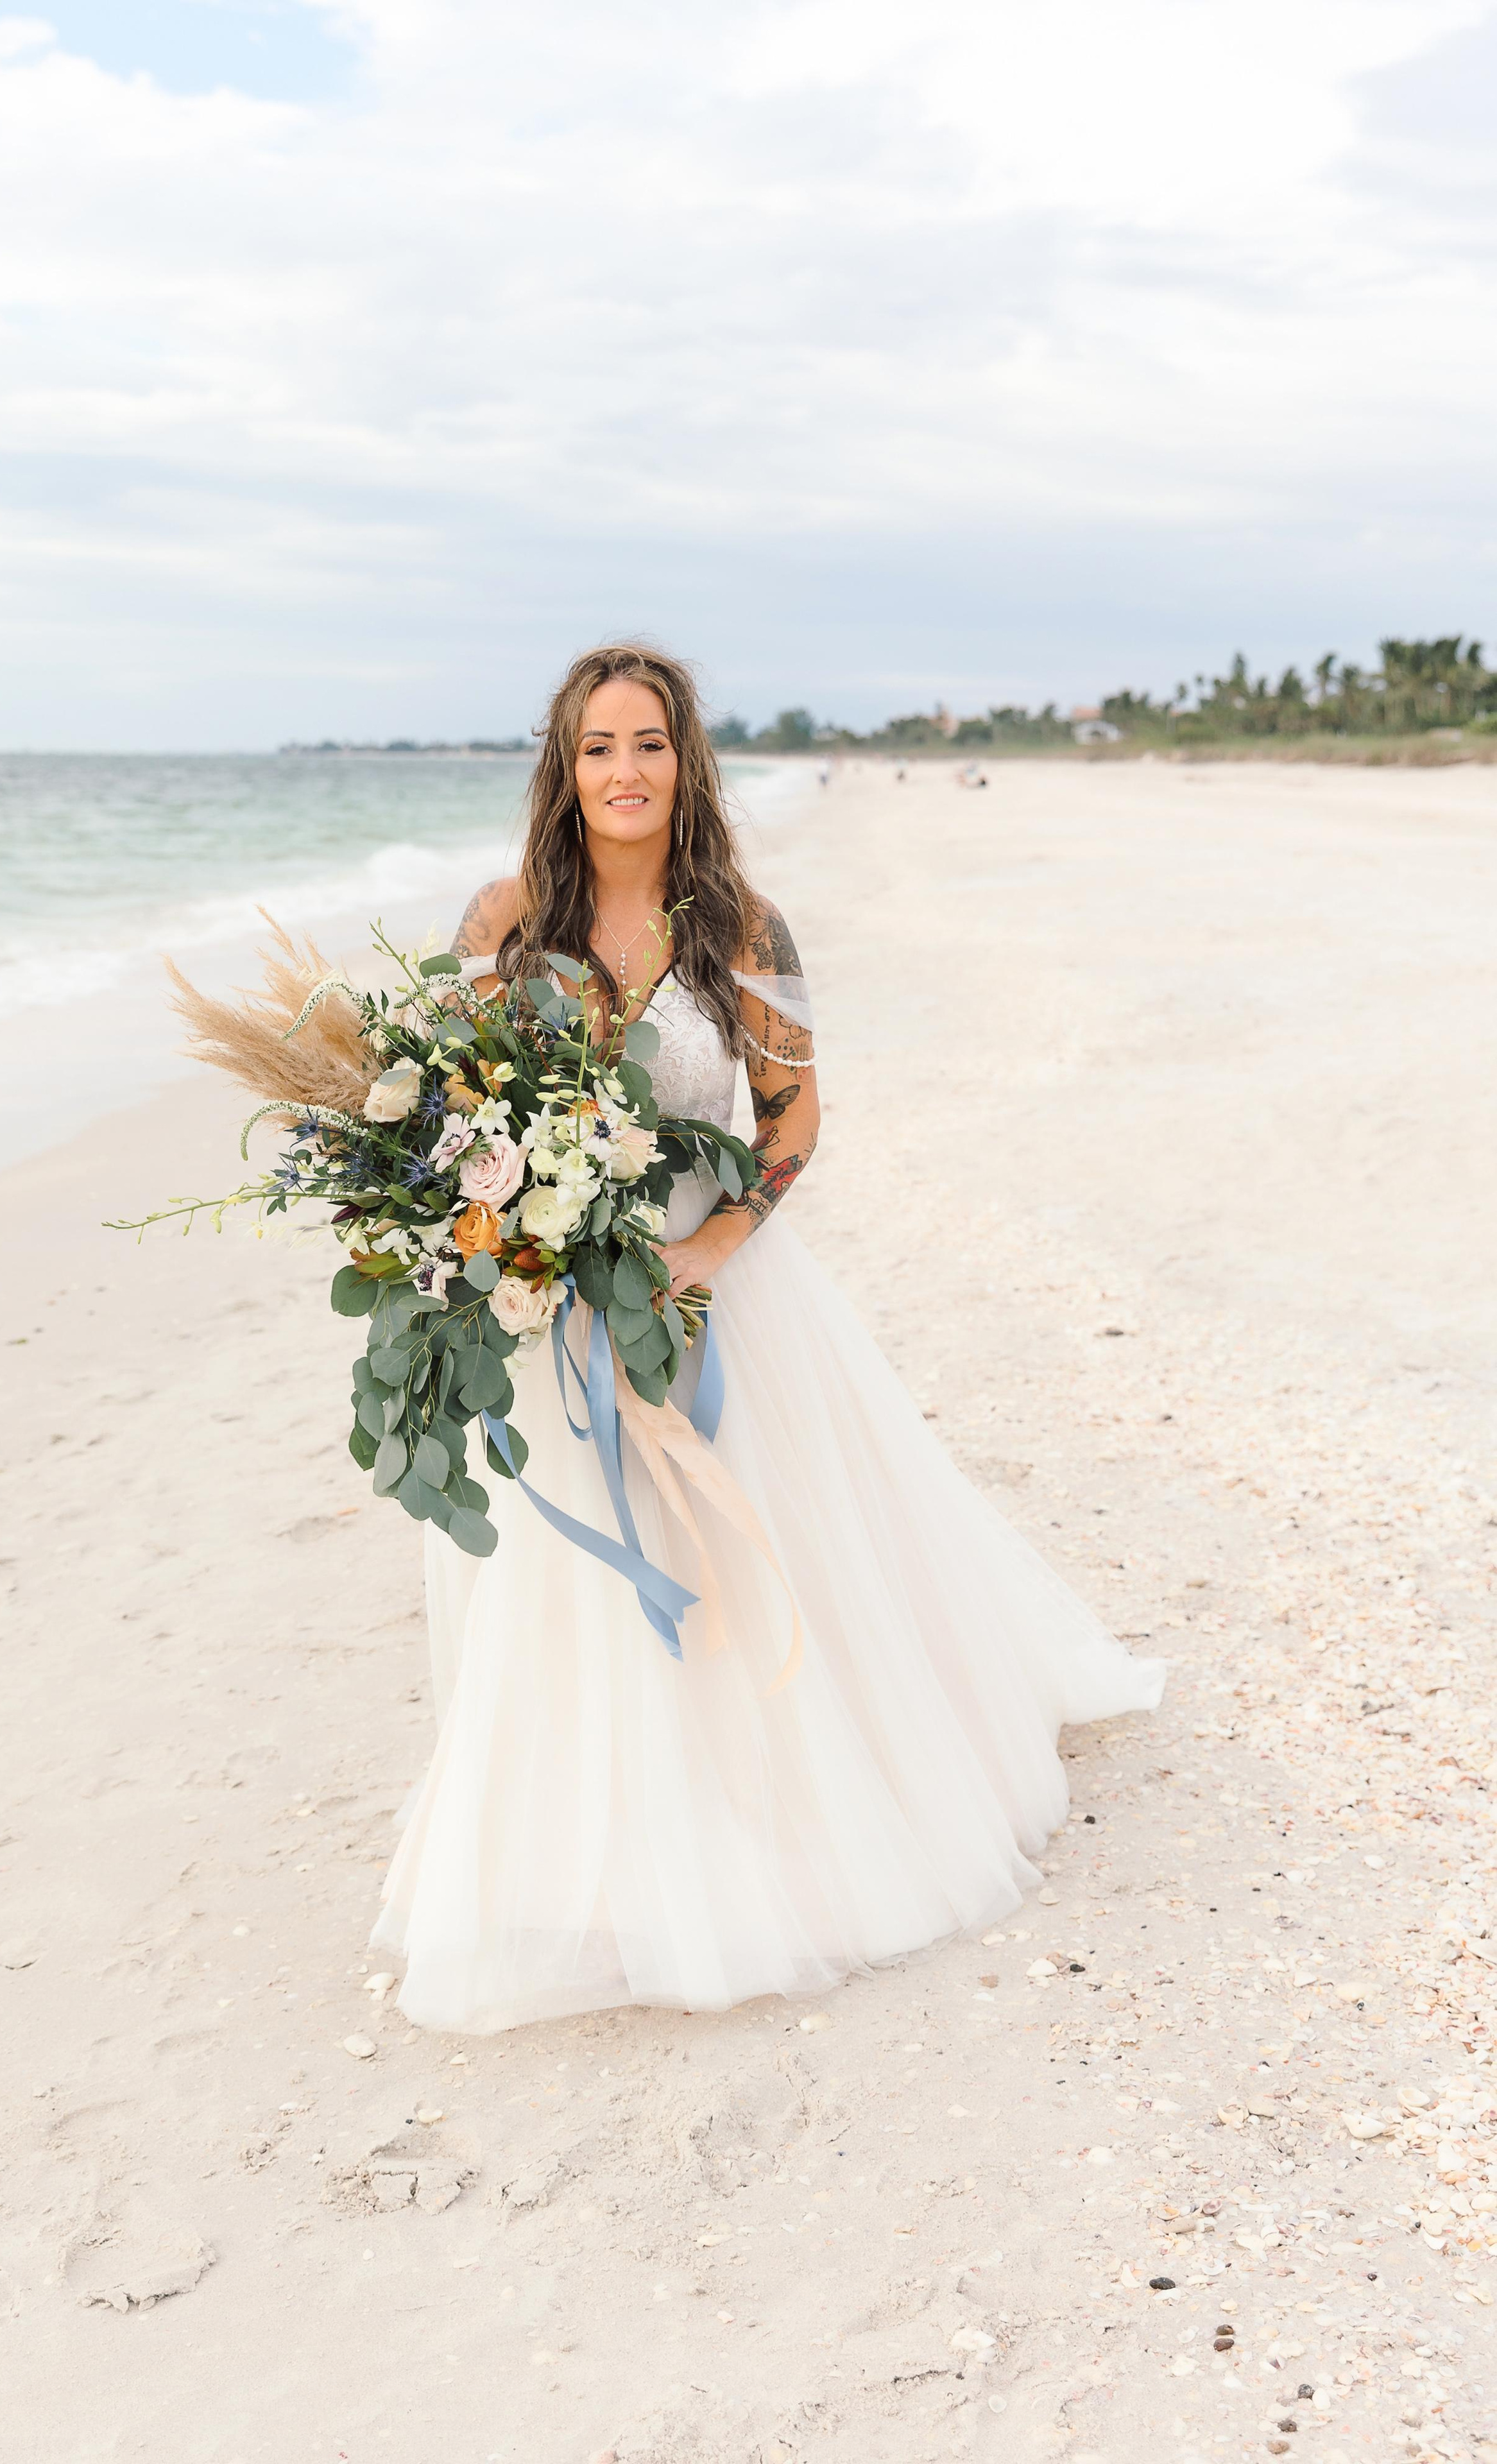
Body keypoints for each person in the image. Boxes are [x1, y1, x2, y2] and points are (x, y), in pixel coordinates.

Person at [369, 643, 1162, 2033]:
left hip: (713, 1283)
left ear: (687, 763)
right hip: (551, 1296)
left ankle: (774, 1833)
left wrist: (704, 1252)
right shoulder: (503, 918)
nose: (623, 771)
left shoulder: (740, 927)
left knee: (749, 1566)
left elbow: (790, 1122)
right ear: (563, 766)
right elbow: (456, 1109)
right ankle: (600, 1861)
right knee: (577, 1590)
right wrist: (505, 1235)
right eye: (598, 746)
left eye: (650, 744)